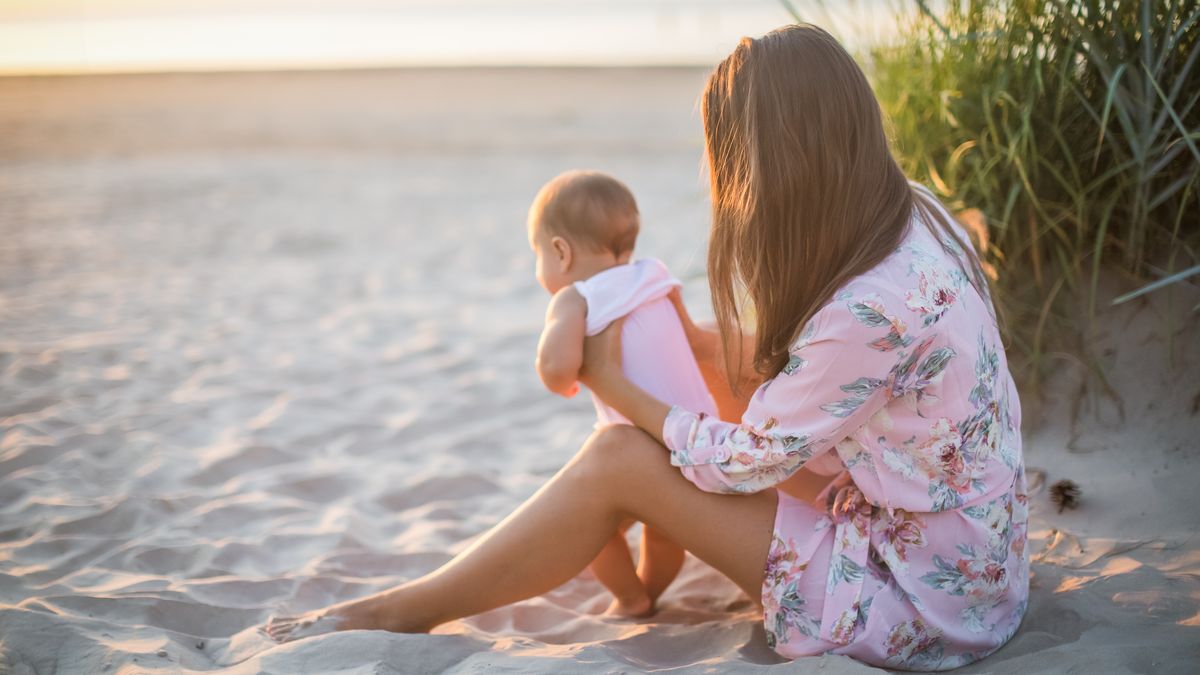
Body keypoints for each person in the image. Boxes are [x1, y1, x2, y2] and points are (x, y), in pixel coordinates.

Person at [266, 23, 1028, 669]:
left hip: (921, 605)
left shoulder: (869, 304)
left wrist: (617, 385)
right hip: (971, 559)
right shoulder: (913, 212)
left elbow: (744, 464)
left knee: (619, 457)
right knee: (718, 365)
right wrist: (697, 342)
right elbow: (833, 371)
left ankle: (408, 608)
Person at [526, 169, 717, 617]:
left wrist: (566, 377)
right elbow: (689, 338)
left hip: (639, 447)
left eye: (537, 256)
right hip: (698, 436)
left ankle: (631, 598)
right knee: (664, 533)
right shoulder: (655, 276)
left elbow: (556, 371)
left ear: (560, 251)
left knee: (588, 526)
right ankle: (650, 590)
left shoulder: (576, 297)